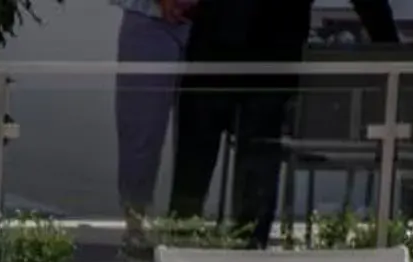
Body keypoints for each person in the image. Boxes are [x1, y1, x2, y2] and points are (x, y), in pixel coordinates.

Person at [171, 0, 398, 247]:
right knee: (200, 160)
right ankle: (184, 242)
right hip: (231, 50)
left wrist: (390, 50)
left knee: (250, 158)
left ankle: (240, 247)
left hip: (265, 55)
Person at [115, 0, 197, 233]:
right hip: (149, 18)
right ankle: (135, 225)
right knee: (142, 129)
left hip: (209, 23)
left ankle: (187, 228)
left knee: (198, 136)